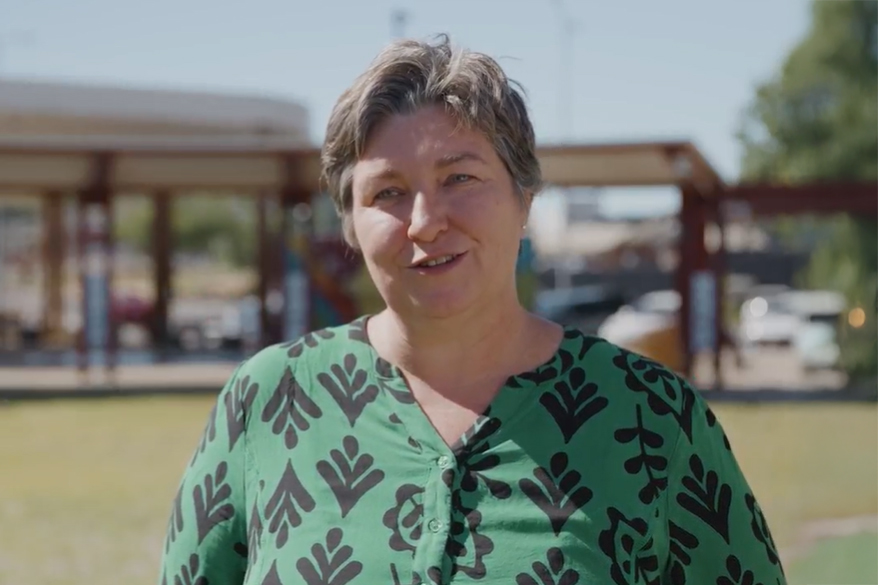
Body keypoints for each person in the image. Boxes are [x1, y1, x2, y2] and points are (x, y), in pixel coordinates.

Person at [159, 35, 786, 585]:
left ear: (524, 198)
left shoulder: (655, 418)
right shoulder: (267, 402)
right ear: (351, 225)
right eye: (388, 193)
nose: (426, 223)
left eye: (460, 178)